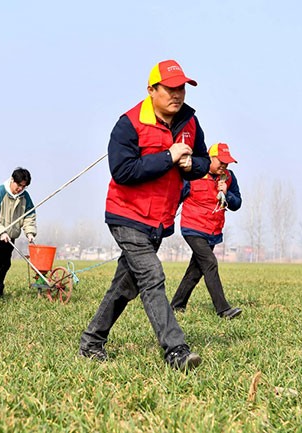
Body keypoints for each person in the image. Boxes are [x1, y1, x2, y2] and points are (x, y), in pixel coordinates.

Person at [79, 59, 211, 371]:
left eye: (181, 88)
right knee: (152, 276)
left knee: (126, 285)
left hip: (159, 221)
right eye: (169, 88)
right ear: (151, 90)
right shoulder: (129, 123)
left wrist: (194, 167)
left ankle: (92, 340)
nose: (177, 95)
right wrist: (168, 157)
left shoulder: (190, 124)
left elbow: (204, 161)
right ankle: (176, 351)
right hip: (126, 216)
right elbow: (123, 171)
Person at [171, 142, 243, 319]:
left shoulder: (228, 177)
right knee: (210, 263)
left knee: (195, 271)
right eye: (221, 162)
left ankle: (176, 305)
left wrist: (227, 193)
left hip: (212, 231)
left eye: (227, 163)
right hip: (193, 228)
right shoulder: (193, 173)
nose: (224, 166)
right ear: (210, 158)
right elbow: (175, 196)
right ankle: (223, 310)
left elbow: (237, 204)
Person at [0, 168, 36, 298]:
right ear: (12, 180)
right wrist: (1, 232)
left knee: (6, 263)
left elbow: (29, 216)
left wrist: (29, 232)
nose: (20, 189)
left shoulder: (25, 197)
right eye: (19, 185)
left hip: (11, 235)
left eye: (24, 186)